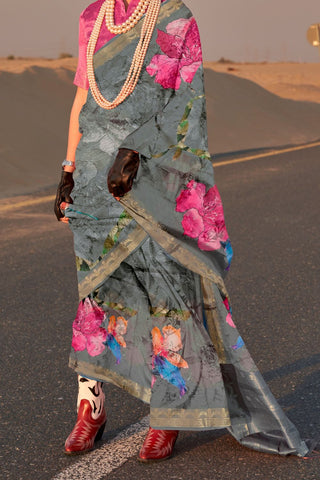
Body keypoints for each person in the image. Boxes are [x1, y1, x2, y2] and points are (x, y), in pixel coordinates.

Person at [54, 0, 308, 462]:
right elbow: (83, 99)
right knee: (96, 292)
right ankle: (90, 407)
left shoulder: (175, 17)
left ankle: (168, 412)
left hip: (148, 175)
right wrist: (68, 168)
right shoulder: (92, 17)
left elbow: (186, 103)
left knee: (165, 292)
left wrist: (137, 152)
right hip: (94, 178)